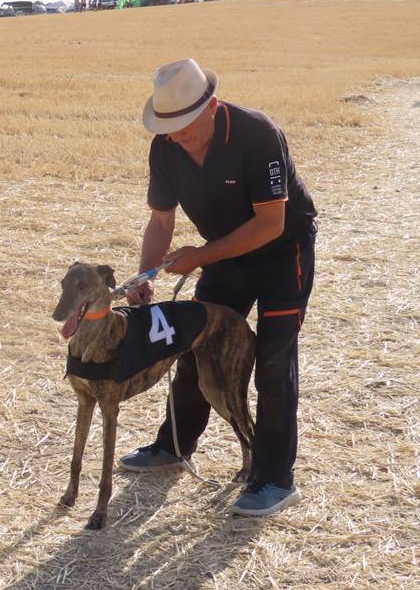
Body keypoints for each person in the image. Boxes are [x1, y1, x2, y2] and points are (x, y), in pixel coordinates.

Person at [119, 59, 317, 517]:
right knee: (196, 343)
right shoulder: (166, 148)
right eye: (169, 128)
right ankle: (173, 446)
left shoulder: (257, 133)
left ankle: (273, 478)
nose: (176, 137)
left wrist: (199, 257)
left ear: (211, 105)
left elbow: (271, 224)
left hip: (282, 253)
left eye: (185, 127)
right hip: (223, 253)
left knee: (273, 357)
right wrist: (145, 276)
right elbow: (161, 219)